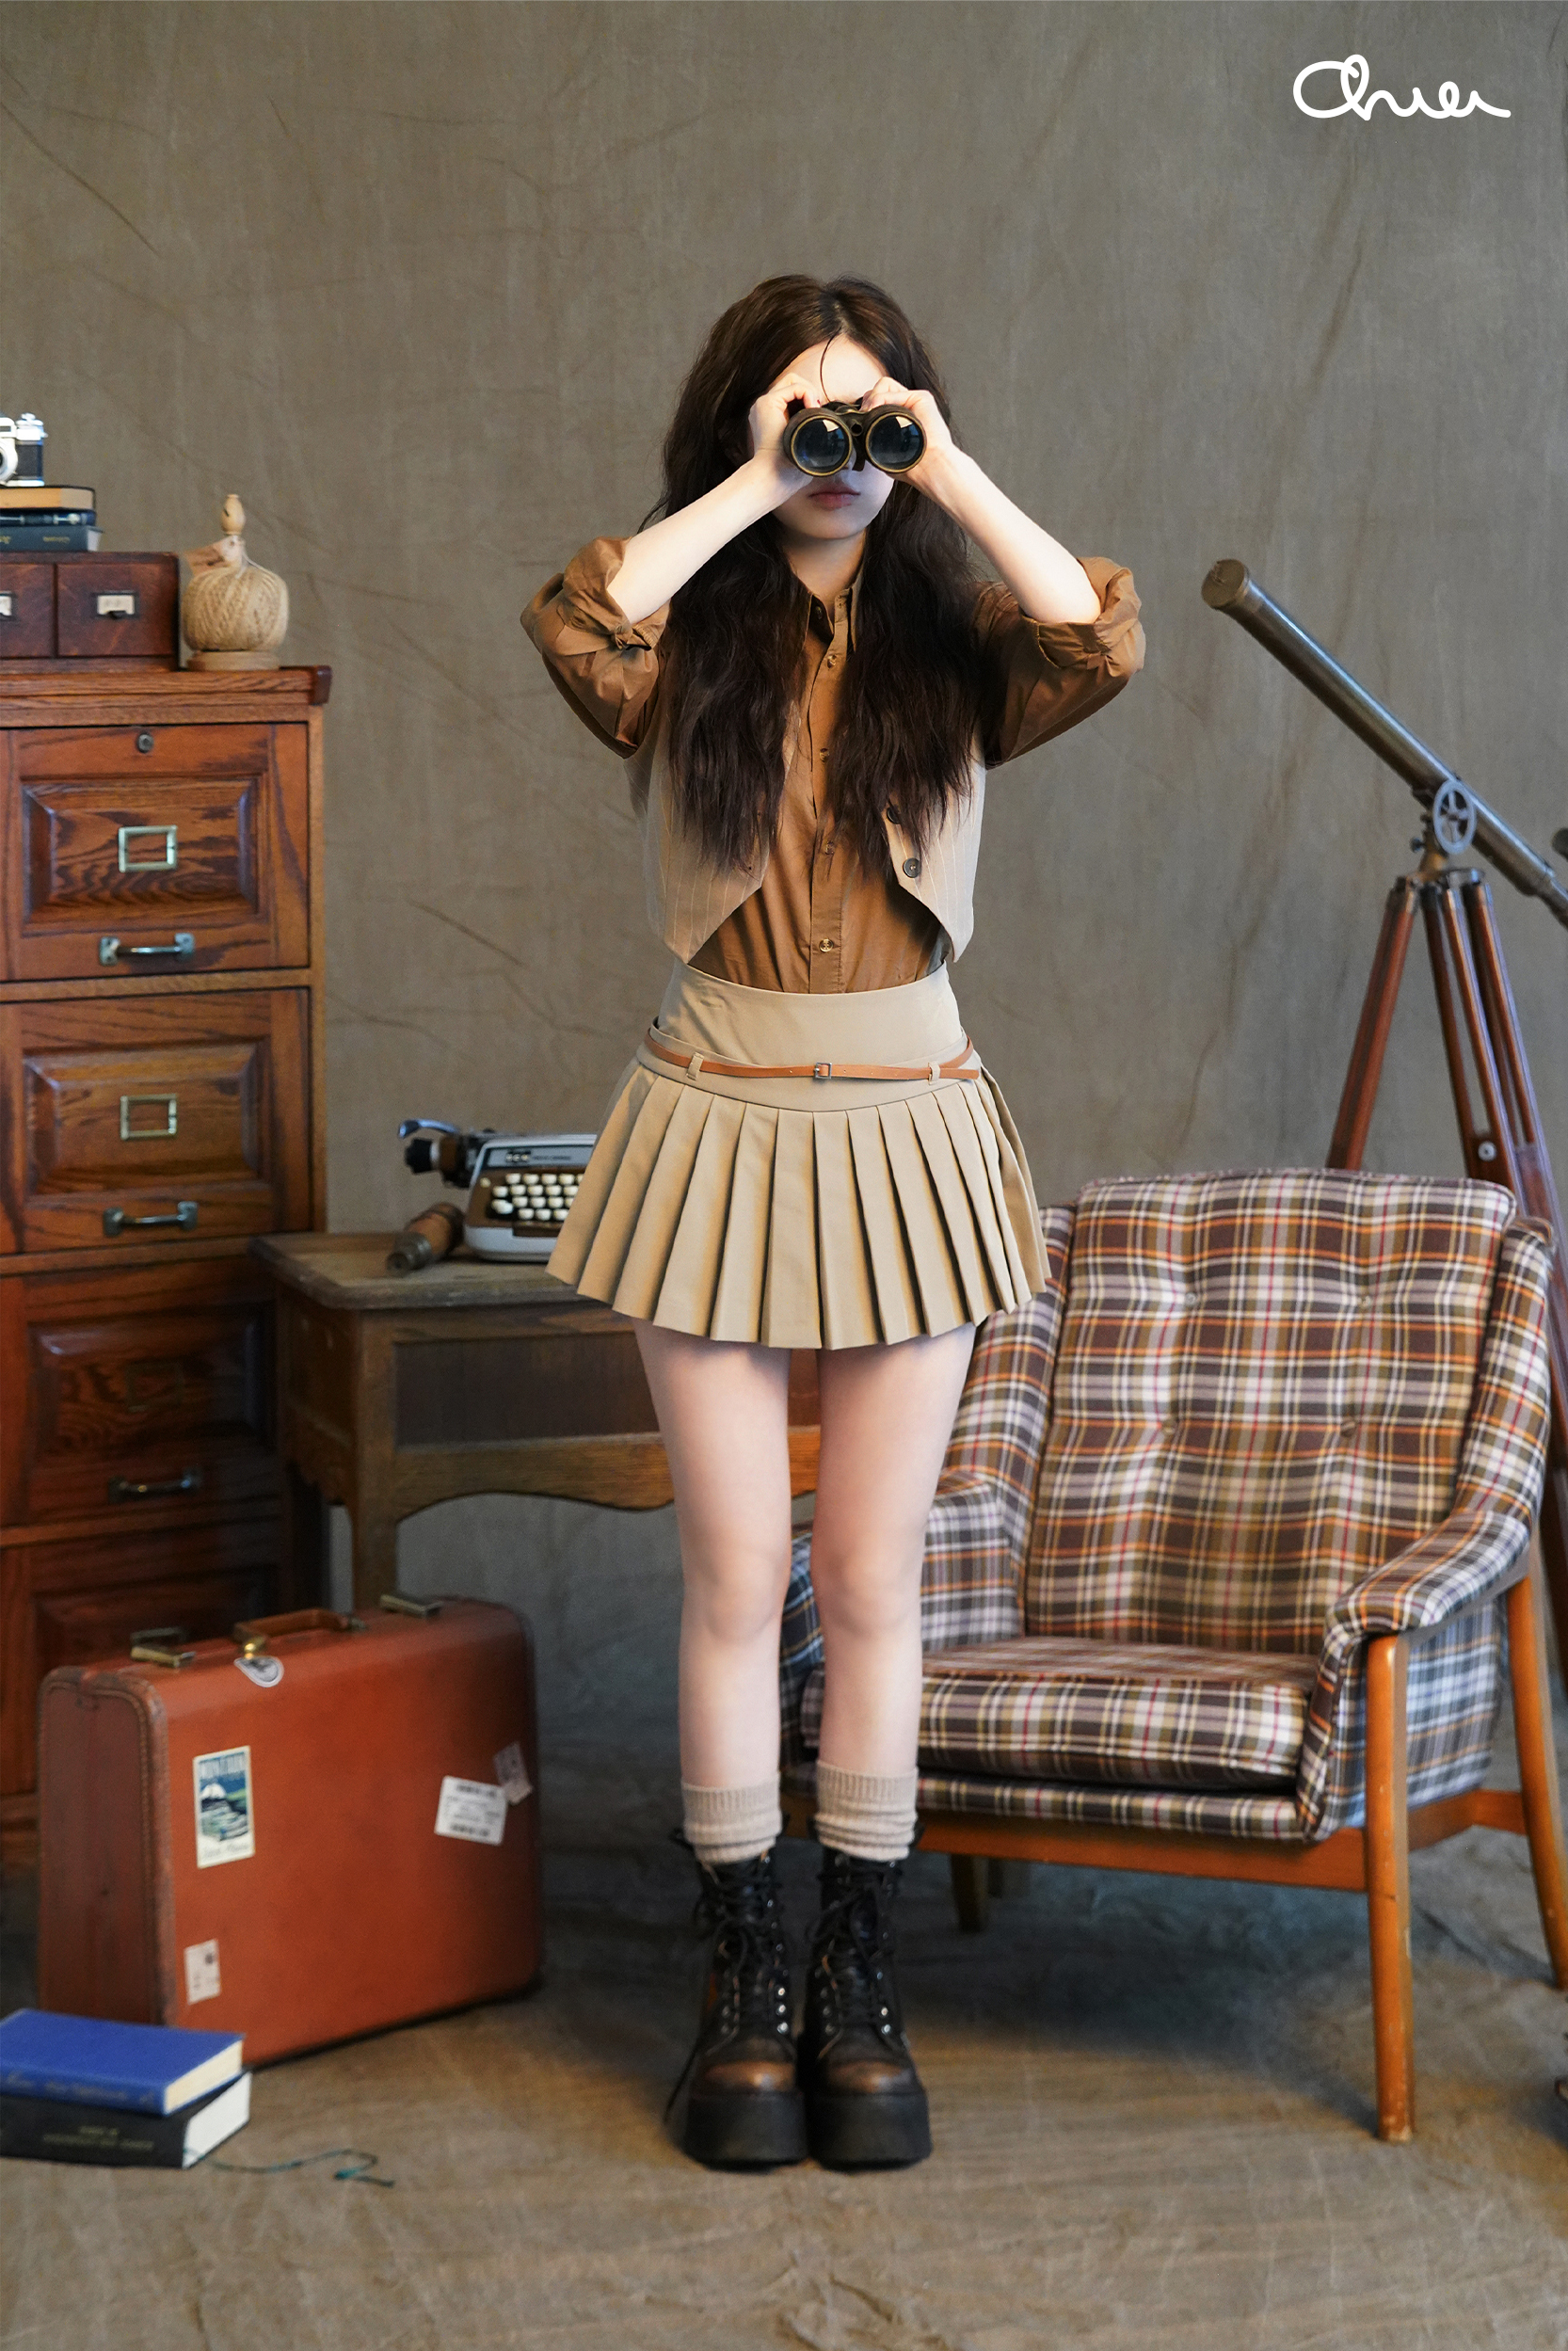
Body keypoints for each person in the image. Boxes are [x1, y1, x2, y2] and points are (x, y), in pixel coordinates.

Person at [523, 274, 1143, 2170]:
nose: (839, 449)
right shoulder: (684, 630)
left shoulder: (958, 636)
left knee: (870, 1579)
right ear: (744, 420)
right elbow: (581, 620)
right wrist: (757, 472)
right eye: (806, 413)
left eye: (869, 414)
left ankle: (855, 1978)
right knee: (733, 1577)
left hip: (908, 1125)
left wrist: (933, 464)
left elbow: (1094, 632)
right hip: (712, 1116)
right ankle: (743, 1982)